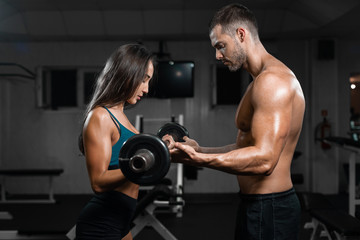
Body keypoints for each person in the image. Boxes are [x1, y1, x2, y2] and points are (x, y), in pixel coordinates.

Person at [165, 3, 305, 240]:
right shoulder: (258, 82)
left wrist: (201, 160)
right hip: (257, 205)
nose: (218, 56)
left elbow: (264, 161)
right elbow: (247, 147)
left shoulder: (272, 82)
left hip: (269, 208)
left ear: (241, 34)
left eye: (221, 46)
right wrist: (199, 150)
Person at [75, 43, 155, 240]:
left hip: (121, 221)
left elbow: (136, 161)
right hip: (100, 225)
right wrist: (140, 167)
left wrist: (163, 149)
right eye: (144, 80)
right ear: (128, 74)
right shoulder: (101, 116)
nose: (146, 89)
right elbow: (98, 182)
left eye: (149, 81)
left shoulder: (122, 116)